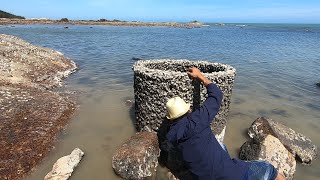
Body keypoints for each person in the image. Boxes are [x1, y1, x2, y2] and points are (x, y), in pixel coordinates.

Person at [162, 67, 286, 180]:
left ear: (171, 119)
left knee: (221, 146)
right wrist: (200, 76)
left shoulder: (171, 136)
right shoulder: (197, 119)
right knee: (269, 169)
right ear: (188, 110)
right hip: (233, 175)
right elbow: (216, 94)